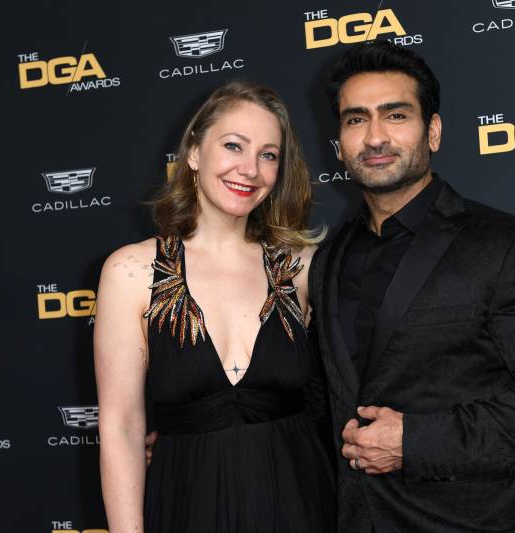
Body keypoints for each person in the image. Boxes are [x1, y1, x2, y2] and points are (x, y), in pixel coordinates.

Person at [308, 41, 515, 532]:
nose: (375, 137)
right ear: (338, 142)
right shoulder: (328, 255)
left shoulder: (505, 243)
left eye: (395, 115)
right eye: (356, 120)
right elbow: (320, 395)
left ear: (432, 131)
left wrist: (415, 442)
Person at [94, 81, 335, 533]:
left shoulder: (301, 268)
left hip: (300, 503)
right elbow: (121, 427)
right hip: (186, 504)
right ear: (194, 153)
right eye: (232, 146)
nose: (250, 169)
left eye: (269, 154)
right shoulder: (132, 271)